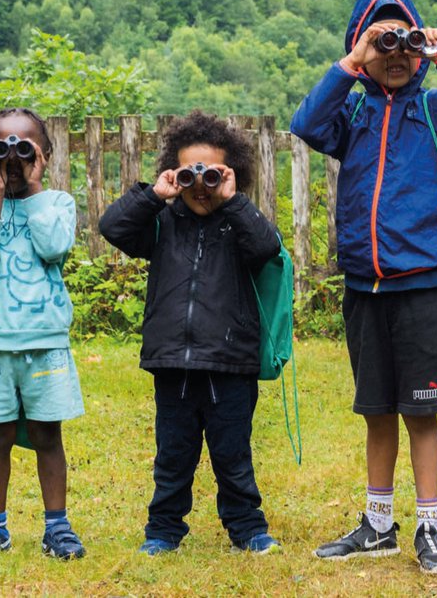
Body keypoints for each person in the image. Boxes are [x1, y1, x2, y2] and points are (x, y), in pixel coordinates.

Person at [291, 0, 437, 574]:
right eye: (382, 44)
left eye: (405, 44)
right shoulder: (354, 112)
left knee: (421, 411)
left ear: (420, 50)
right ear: (365, 49)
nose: (396, 56)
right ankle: (377, 524)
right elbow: (306, 124)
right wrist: (351, 63)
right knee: (376, 409)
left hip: (422, 284)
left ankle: (428, 526)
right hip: (364, 287)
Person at [99, 111, 282, 555]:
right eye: (188, 174)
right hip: (173, 363)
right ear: (173, 173)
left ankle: (247, 528)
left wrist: (233, 201)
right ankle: (163, 531)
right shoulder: (162, 224)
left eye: (212, 174)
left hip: (229, 362)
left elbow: (267, 246)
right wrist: (155, 195)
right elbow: (112, 227)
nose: (200, 184)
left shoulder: (239, 224)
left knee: (233, 455)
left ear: (230, 174)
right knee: (173, 457)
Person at [0, 107, 85, 560]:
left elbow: (53, 246)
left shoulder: (57, 203)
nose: (13, 155)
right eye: (2, 146)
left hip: (45, 344)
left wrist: (33, 188)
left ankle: (58, 526)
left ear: (43, 155)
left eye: (25, 146)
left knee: (48, 435)